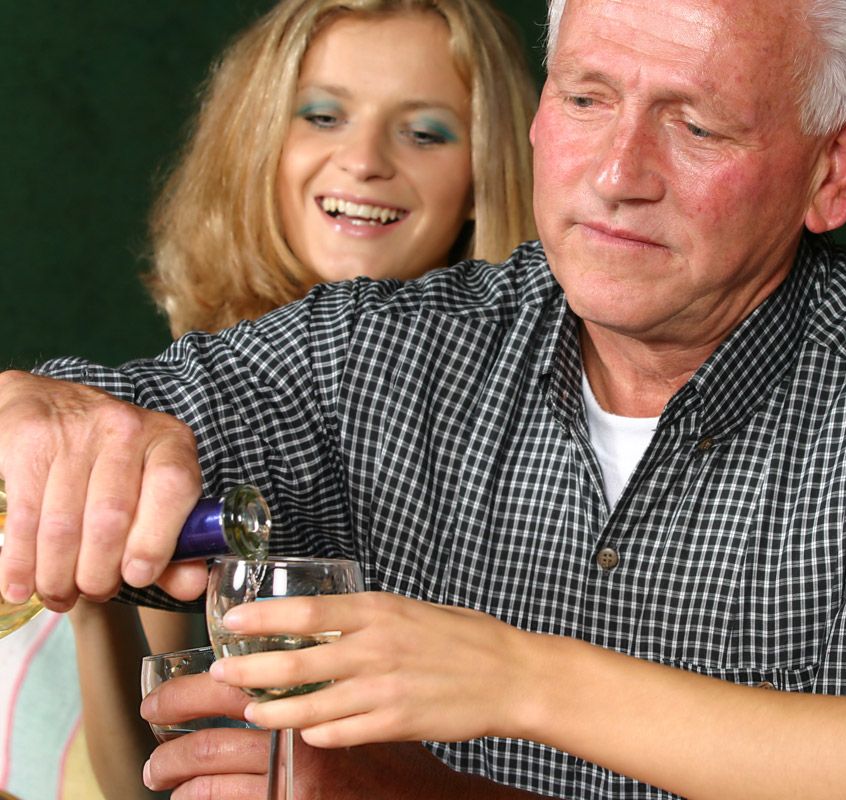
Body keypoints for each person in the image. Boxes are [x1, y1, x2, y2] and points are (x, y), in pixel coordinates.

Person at [0, 0, 846, 797]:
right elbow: (99, 410)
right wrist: (44, 416)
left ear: (833, 168)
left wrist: (414, 795)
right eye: (587, 98)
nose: (618, 173)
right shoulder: (378, 349)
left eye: (697, 124)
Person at [30, 0, 536, 797]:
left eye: (425, 132)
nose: (364, 160)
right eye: (324, 116)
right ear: (262, 140)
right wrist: (95, 591)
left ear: (482, 177)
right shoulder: (195, 418)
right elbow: (142, 783)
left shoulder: (535, 417)